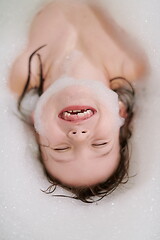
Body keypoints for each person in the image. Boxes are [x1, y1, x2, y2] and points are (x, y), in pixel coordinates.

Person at [9, 0, 147, 203]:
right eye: (100, 144)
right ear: (120, 112)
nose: (79, 136)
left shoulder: (19, 74)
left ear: (36, 123)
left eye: (61, 148)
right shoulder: (131, 62)